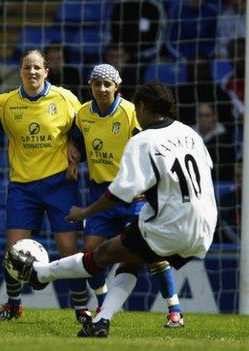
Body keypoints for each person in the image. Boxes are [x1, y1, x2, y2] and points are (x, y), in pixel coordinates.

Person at [5, 82, 218, 337]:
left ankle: (41, 274)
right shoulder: (190, 133)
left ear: (141, 107)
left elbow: (117, 194)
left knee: (102, 254)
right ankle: (103, 319)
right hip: (205, 226)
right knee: (130, 261)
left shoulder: (144, 140)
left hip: (171, 225)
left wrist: (85, 212)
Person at [70, 64, 184, 327]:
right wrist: (72, 154)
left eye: (107, 84)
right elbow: (75, 139)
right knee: (90, 250)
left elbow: (150, 149)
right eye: (97, 84)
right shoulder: (83, 114)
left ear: (117, 87)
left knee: (152, 252)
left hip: (133, 193)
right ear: (90, 86)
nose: (101, 89)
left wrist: (148, 185)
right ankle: (102, 303)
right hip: (102, 194)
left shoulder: (130, 112)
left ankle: (174, 310)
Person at [0, 49, 83, 322]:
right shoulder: (5, 103)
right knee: (13, 250)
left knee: (68, 249)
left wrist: (75, 154)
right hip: (23, 186)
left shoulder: (65, 99)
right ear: (19, 71)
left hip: (59, 184)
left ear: (46, 71)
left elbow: (85, 128)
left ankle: (80, 308)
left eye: (37, 68)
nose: (32, 72)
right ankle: (13, 304)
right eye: (27, 67)